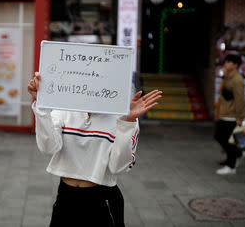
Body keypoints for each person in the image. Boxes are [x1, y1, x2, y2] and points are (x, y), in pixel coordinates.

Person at [28, 72, 162, 227]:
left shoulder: (125, 116)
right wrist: (42, 107)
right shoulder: (65, 107)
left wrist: (127, 123)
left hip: (102, 201)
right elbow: (49, 148)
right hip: (65, 197)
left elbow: (117, 167)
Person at [214, 54, 245, 175]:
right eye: (226, 61)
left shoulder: (238, 80)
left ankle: (231, 166)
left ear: (235, 65)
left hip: (231, 115)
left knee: (227, 140)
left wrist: (240, 117)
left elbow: (240, 100)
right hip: (224, 113)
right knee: (220, 137)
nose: (225, 63)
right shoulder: (229, 77)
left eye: (229, 62)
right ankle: (237, 155)